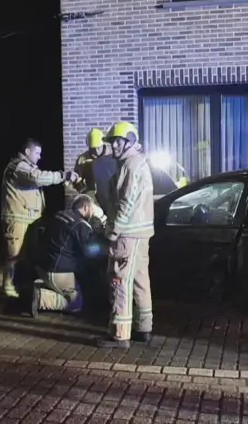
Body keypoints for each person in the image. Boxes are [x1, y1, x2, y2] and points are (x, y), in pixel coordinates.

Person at [96, 121, 155, 349]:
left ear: (129, 140)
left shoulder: (129, 166)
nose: (114, 145)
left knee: (119, 281)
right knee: (141, 281)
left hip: (127, 235)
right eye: (112, 141)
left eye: (118, 141)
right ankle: (144, 328)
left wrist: (112, 231)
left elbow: (126, 202)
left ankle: (120, 335)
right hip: (141, 233)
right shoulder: (138, 163)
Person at [1, 138, 78, 298]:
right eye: (37, 153)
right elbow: (38, 178)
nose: (39, 157)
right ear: (27, 152)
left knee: (26, 256)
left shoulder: (26, 167)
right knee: (14, 254)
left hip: (28, 218)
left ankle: (21, 285)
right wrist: (63, 176)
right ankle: (9, 288)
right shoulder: (18, 167)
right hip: (18, 218)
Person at [31, 194, 103, 316]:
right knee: (76, 303)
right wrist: (101, 247)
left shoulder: (58, 215)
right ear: (85, 207)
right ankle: (39, 298)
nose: (92, 212)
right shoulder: (80, 224)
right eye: (92, 208)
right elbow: (89, 251)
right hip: (58, 272)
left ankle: (40, 286)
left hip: (42, 267)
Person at [73, 128, 109, 228]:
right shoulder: (83, 159)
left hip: (110, 198)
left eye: (98, 147)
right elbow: (76, 180)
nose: (96, 151)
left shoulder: (112, 156)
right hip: (93, 200)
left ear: (103, 144)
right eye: (93, 148)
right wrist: (87, 193)